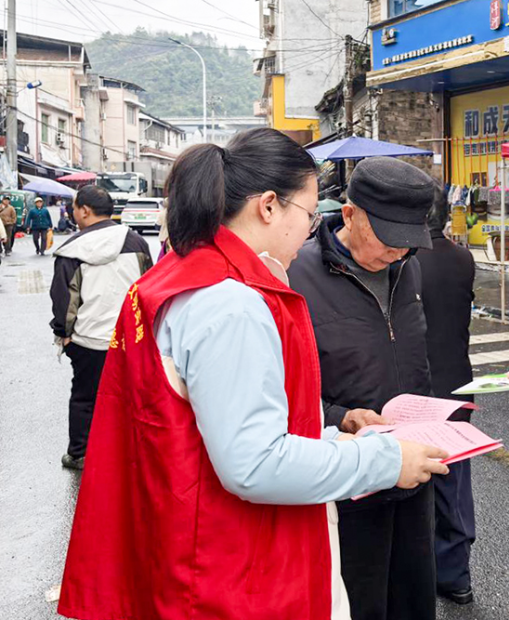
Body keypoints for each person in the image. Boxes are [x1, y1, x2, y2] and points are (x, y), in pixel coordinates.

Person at [57, 129, 449, 620]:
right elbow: (254, 464)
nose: (310, 231)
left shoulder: (183, 274)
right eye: (308, 214)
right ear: (268, 206)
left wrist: (335, 434)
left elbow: (216, 422)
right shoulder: (231, 303)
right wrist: (383, 460)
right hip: (227, 564)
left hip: (183, 535)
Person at [288, 156, 441, 620]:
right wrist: (339, 417)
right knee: (357, 600)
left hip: (414, 470)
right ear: (350, 214)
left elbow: (414, 358)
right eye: (390, 240)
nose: (399, 253)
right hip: (346, 478)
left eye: (410, 244)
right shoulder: (297, 275)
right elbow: (286, 389)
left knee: (414, 598)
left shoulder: (405, 268)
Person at [50, 186, 153, 470]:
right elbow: (149, 287)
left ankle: (80, 452)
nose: (73, 212)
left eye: (74, 207)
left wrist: (63, 333)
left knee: (84, 396)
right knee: (129, 395)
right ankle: (130, 450)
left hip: (87, 341)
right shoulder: (136, 243)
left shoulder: (71, 249)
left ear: (85, 210)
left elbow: (62, 299)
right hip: (129, 339)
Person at [417, 180, 477, 605]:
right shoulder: (463, 258)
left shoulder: (403, 261)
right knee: (454, 481)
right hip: (456, 385)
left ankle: (421, 572)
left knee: (415, 482)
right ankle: (456, 574)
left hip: (415, 390)